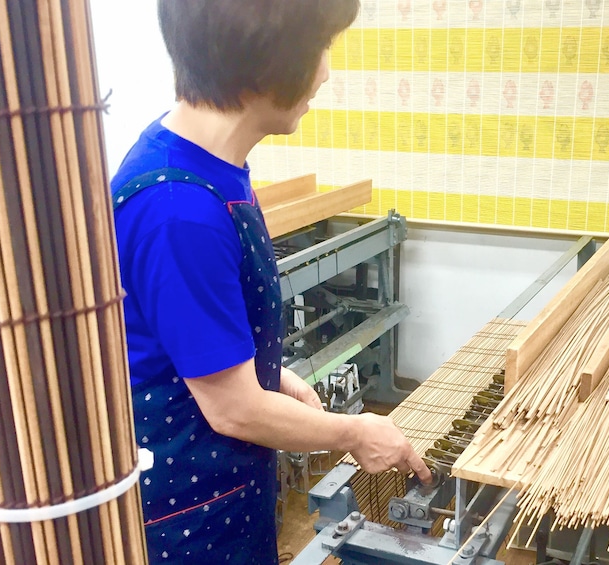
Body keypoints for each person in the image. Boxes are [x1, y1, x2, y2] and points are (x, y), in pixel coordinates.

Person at [109, 2, 431, 563]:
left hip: (225, 487)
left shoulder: (208, 166)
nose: (325, 72)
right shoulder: (178, 209)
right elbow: (232, 411)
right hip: (191, 514)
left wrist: (266, 373)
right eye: (320, 47)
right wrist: (353, 433)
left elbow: (181, 341)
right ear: (264, 56)